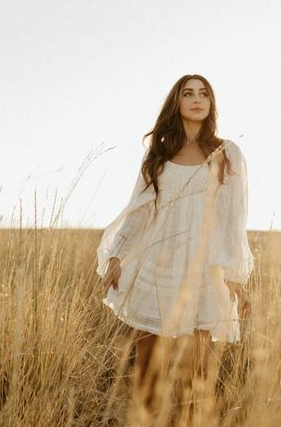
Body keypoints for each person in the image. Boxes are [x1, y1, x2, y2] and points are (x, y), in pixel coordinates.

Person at [96, 74, 255, 418]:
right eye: (188, 93)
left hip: (204, 267)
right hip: (159, 263)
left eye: (204, 94)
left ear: (211, 104)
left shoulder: (227, 153)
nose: (197, 99)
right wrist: (116, 257)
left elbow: (232, 219)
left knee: (194, 377)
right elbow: (139, 211)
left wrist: (234, 275)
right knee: (147, 372)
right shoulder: (159, 153)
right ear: (177, 102)